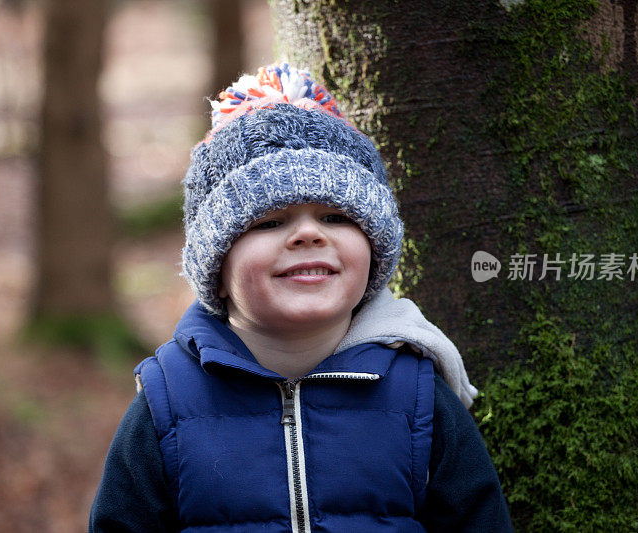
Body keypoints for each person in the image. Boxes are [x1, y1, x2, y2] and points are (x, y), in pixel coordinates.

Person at [89, 63, 513, 532]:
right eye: (269, 221)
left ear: (374, 250)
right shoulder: (168, 402)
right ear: (218, 269)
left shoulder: (418, 397)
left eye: (335, 217)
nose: (308, 233)